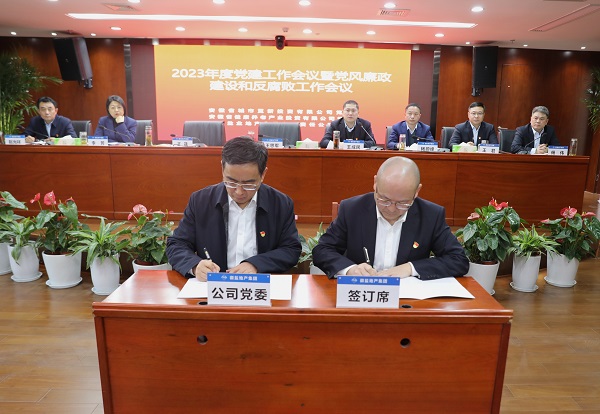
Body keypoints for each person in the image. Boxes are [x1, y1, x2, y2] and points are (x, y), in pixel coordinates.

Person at [166, 136, 302, 280]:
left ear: (263, 174)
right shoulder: (201, 201)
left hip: (261, 284)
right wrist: (195, 265)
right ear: (222, 169)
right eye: (231, 182)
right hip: (214, 286)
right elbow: (177, 244)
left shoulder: (280, 203)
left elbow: (291, 249)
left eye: (249, 184)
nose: (239, 191)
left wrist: (256, 264)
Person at [312, 156, 469, 280]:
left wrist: (410, 268)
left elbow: (458, 260)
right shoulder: (352, 209)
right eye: (384, 200)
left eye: (402, 203)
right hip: (361, 295)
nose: (391, 209)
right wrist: (350, 269)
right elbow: (322, 250)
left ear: (417, 191)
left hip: (408, 300)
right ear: (375, 183)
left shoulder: (430, 215)